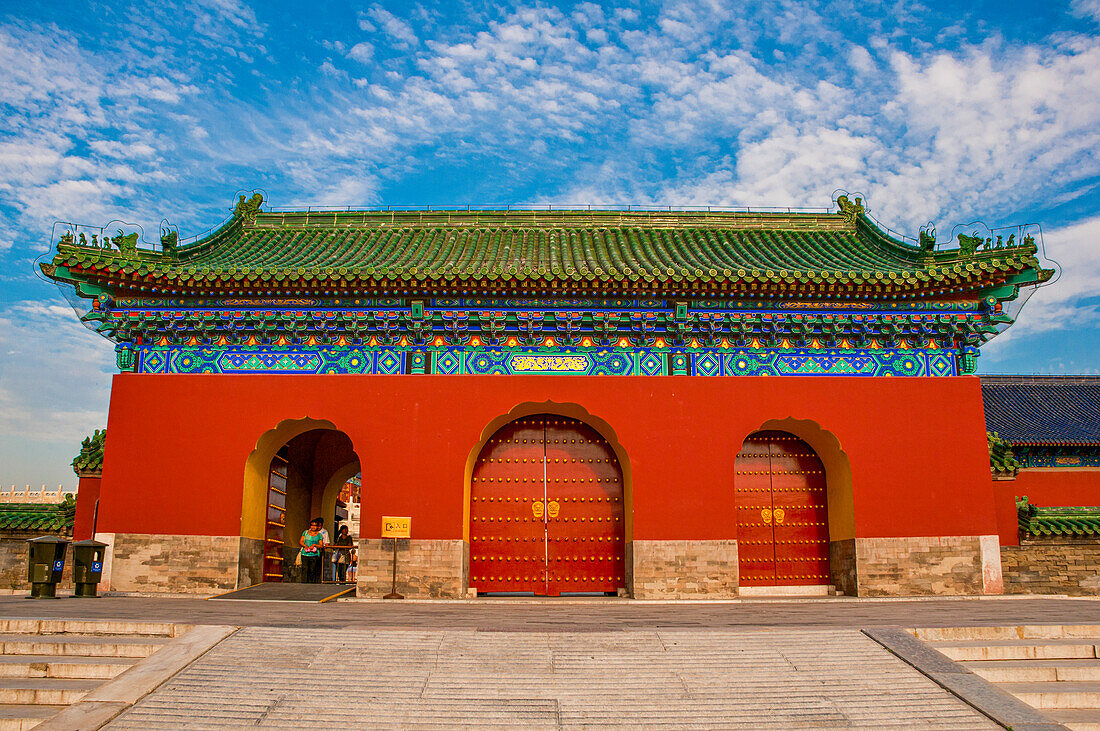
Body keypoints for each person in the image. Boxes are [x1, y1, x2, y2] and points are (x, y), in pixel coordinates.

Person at [299, 517, 326, 583]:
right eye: (312, 525)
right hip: (305, 553)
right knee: (305, 568)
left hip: (314, 554)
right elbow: (301, 541)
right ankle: (304, 582)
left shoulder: (319, 535)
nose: (313, 527)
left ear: (317, 527)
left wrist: (314, 545)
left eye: (315, 525)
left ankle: (311, 583)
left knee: (312, 569)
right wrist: (305, 545)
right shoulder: (305, 532)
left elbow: (321, 545)